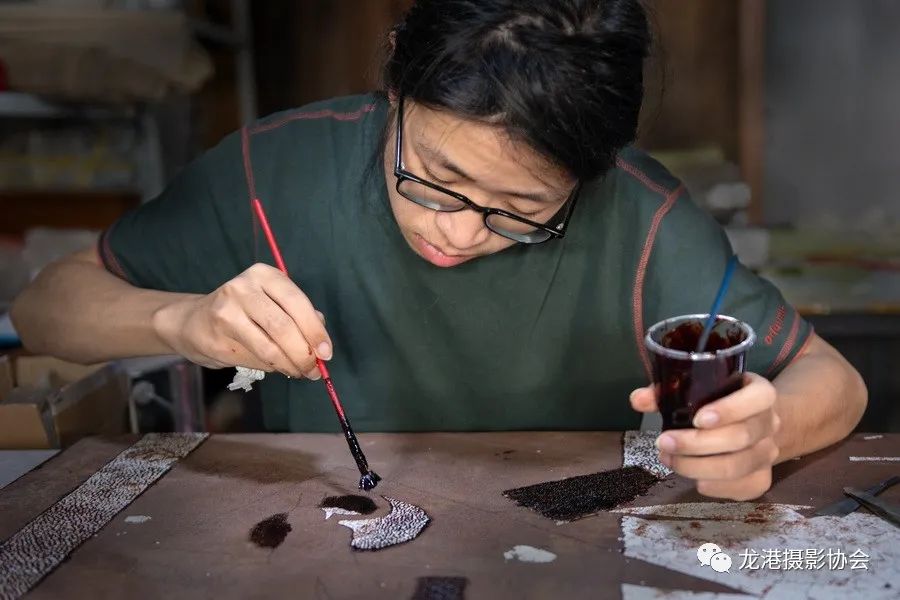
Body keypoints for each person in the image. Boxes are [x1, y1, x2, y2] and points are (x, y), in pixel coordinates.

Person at [11, 0, 865, 501]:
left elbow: (834, 377)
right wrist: (182, 319)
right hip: (318, 532)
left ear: (590, 174)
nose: (454, 233)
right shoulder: (277, 167)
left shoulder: (642, 217)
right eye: (434, 178)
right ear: (395, 85)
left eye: (521, 210)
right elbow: (43, 308)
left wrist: (768, 430)